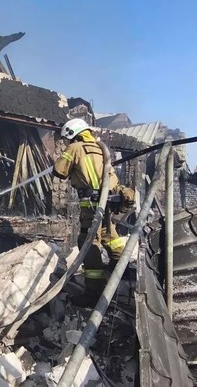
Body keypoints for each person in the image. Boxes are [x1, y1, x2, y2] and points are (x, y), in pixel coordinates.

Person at [53, 118, 134, 307]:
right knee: (109, 235)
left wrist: (66, 157)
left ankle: (94, 294)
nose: (66, 142)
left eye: (67, 138)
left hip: (91, 205)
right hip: (107, 202)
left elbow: (60, 171)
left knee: (89, 244)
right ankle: (123, 272)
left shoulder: (75, 148)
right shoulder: (100, 148)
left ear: (73, 134)